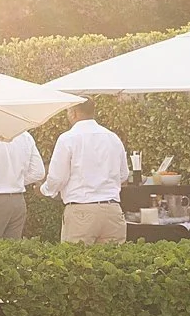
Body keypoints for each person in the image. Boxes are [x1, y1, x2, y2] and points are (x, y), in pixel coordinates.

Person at [41, 101, 128, 244]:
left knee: (77, 262)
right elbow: (123, 175)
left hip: (81, 210)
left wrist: (44, 190)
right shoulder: (113, 137)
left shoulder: (67, 138)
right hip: (113, 210)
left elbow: (58, 178)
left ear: (73, 113)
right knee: (113, 262)